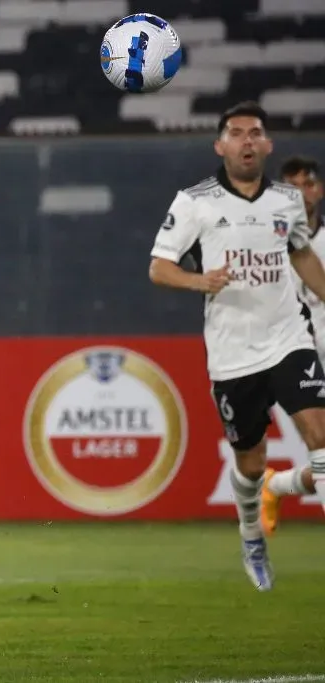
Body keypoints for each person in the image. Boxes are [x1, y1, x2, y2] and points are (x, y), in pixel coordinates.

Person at [149, 101, 325, 591]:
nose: (247, 140)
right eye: (237, 133)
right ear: (220, 145)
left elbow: (302, 254)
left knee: (320, 433)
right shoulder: (195, 201)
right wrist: (199, 281)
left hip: (289, 337)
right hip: (232, 352)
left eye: (255, 133)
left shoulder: (287, 200)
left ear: (266, 145)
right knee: (250, 463)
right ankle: (252, 532)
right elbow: (159, 267)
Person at [261, 155, 325, 534]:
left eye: (308, 184)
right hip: (297, 359)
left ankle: (276, 484)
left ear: (318, 189)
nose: (302, 194)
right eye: (292, 187)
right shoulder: (266, 246)